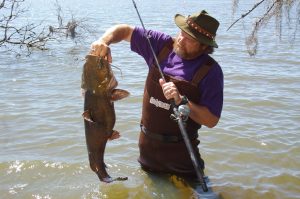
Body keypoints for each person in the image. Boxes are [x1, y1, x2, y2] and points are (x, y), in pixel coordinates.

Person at [90, 10, 223, 179]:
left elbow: (211, 120)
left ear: (204, 46)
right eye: (182, 32)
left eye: (190, 39)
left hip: (182, 159)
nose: (181, 40)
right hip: (147, 154)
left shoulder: (211, 72)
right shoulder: (162, 45)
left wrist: (181, 100)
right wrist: (104, 41)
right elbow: (123, 30)